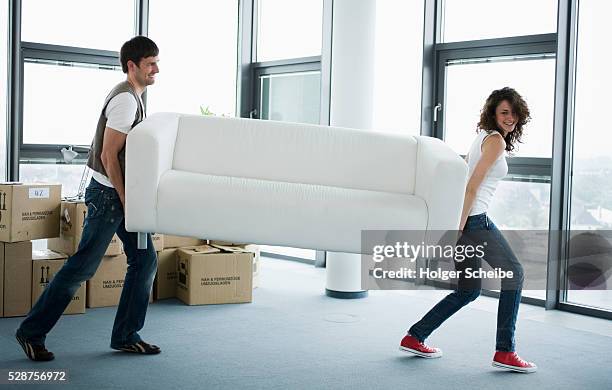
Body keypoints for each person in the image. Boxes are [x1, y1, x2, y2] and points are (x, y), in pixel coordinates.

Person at [16, 36, 161, 361]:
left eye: (156, 62)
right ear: (132, 66)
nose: (156, 69)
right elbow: (110, 156)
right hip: (111, 197)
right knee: (82, 266)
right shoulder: (125, 101)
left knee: (144, 260)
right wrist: (127, 200)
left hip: (121, 196)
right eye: (150, 63)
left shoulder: (135, 96)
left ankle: (126, 335)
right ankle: (30, 332)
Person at [399, 87, 537, 373]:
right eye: (504, 112)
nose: (510, 118)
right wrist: (458, 228)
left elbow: (463, 173)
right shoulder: (495, 141)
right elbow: (472, 186)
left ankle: (415, 336)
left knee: (468, 290)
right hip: (475, 221)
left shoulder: (483, 138)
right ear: (493, 113)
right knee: (515, 274)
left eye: (513, 113)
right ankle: (505, 351)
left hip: (466, 219)